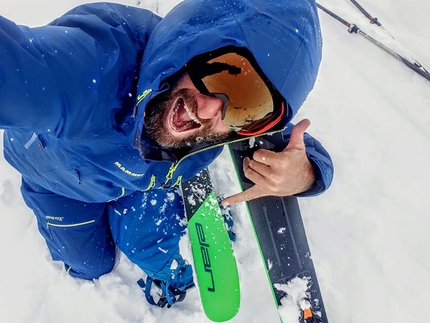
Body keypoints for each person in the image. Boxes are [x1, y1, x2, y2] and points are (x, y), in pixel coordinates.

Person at [0, 0, 333, 307]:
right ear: (199, 40)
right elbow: (17, 68)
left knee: (152, 243)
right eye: (221, 72)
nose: (208, 110)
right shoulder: (92, 70)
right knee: (90, 266)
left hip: (141, 182)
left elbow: (299, 148)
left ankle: (171, 272)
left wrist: (305, 174)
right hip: (57, 183)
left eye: (247, 103)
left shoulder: (233, 124)